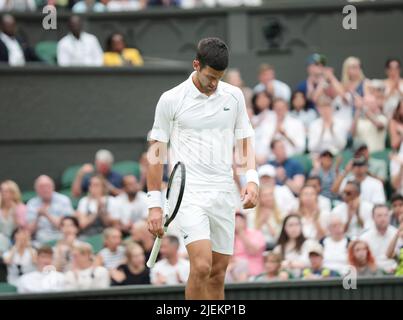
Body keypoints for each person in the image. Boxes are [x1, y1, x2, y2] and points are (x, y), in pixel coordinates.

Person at [147, 38, 258, 299]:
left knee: (218, 273)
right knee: (201, 266)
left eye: (219, 77)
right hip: (189, 195)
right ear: (196, 65)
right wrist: (154, 204)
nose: (214, 83)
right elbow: (155, 153)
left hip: (223, 192)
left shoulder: (234, 96)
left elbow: (244, 140)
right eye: (210, 76)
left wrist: (251, 180)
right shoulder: (170, 99)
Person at [27, 175, 74, 244]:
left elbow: (67, 227)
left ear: (53, 187)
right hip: (40, 241)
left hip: (61, 238)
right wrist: (37, 217)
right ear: (36, 189)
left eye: (47, 186)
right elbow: (29, 231)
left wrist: (47, 215)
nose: (45, 189)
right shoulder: (31, 203)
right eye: (41, 187)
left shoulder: (64, 200)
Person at [360, 205, 398, 274]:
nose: (383, 218)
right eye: (379, 216)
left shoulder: (397, 234)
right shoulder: (364, 238)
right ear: (373, 217)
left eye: (386, 215)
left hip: (396, 272)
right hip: (374, 274)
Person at [249, 184, 284, 250]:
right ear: (259, 198)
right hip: (257, 247)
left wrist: (268, 224)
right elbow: (250, 234)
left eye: (270, 195)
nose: (268, 198)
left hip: (275, 246)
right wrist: (261, 221)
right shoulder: (252, 214)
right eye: (265, 195)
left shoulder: (280, 213)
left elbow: (280, 236)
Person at [233, 211, 266, 276]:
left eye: (240, 220)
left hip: (253, 272)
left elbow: (253, 251)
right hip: (233, 271)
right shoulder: (229, 237)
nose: (237, 223)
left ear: (245, 221)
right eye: (235, 220)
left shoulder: (256, 233)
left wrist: (241, 233)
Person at [250, 91, 274, 165]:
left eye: (264, 97)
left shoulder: (274, 116)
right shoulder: (252, 118)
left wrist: (264, 155)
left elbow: (270, 137)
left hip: (270, 157)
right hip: (252, 157)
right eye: (259, 98)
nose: (262, 100)